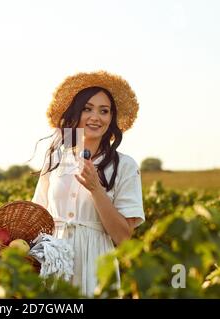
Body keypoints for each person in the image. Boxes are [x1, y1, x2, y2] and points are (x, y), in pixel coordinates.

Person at [31, 70, 145, 297]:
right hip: (53, 261)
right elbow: (36, 216)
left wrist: (96, 188)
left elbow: (123, 238)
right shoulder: (55, 159)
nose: (96, 117)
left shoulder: (124, 166)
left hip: (96, 262)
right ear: (75, 113)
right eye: (87, 109)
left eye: (104, 111)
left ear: (111, 118)